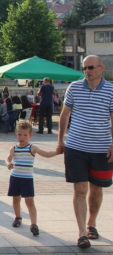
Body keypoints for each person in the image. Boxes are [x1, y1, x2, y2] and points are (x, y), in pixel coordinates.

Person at [56, 55, 113, 249]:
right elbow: (65, 114)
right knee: (80, 189)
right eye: (84, 68)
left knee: (96, 189)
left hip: (101, 148)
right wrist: (60, 140)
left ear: (101, 68)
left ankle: (92, 223)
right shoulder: (74, 88)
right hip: (76, 147)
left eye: (90, 67)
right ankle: (82, 233)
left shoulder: (111, 90)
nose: (87, 71)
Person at [6, 121, 58, 236]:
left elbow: (45, 153)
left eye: (25, 135)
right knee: (16, 199)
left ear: (30, 136)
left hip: (27, 179)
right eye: (20, 134)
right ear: (16, 135)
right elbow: (8, 158)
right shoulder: (13, 148)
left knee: (29, 201)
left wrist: (56, 152)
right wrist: (8, 163)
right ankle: (18, 217)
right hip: (15, 177)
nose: (22, 137)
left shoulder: (32, 148)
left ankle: (34, 224)